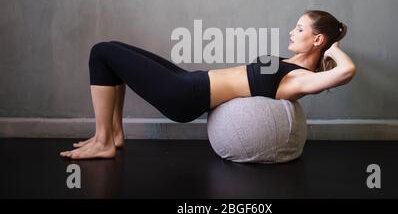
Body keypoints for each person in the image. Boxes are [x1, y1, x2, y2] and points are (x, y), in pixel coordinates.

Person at [60, 10, 356, 159]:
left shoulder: (302, 78)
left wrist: (333, 49)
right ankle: (114, 134)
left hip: (187, 95)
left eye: (301, 28)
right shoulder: (291, 65)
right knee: (112, 49)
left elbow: (347, 71)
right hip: (191, 80)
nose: (292, 31)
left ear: (318, 40)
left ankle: (103, 142)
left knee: (101, 52)